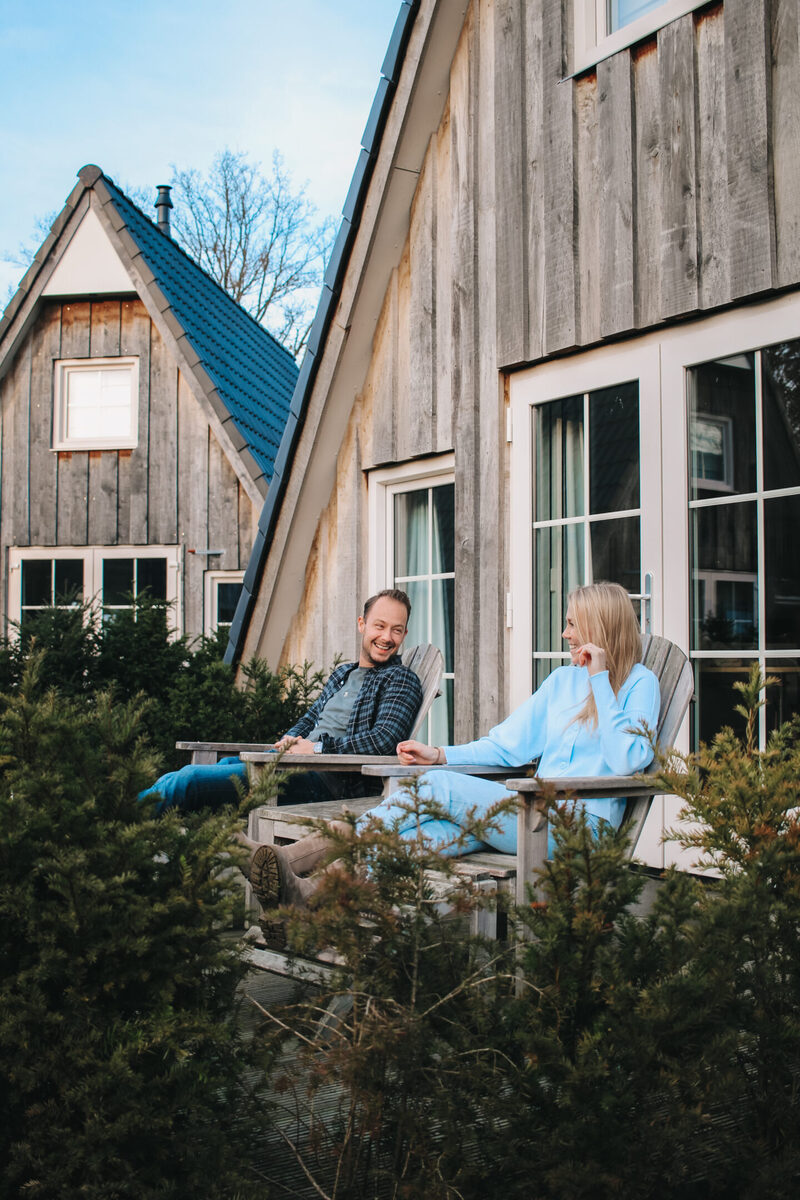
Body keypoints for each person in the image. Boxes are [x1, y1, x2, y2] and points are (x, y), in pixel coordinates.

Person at [241, 582, 661, 909]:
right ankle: (308, 899)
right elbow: (505, 748)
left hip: (578, 830)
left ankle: (292, 860)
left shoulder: (640, 683)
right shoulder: (560, 682)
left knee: (438, 786)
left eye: (572, 624)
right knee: (418, 836)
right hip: (530, 818)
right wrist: (441, 755)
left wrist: (601, 682)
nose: (564, 632)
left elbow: (630, 759)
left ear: (598, 629)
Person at [141, 589, 423, 814]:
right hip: (292, 767)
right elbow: (312, 718)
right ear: (362, 625)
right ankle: (125, 827)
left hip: (331, 783)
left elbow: (384, 740)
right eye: (380, 626)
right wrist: (290, 739)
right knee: (206, 769)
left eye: (396, 630)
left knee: (188, 781)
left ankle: (117, 829)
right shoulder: (343, 673)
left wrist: (316, 749)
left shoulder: (401, 680)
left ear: (405, 634)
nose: (387, 637)